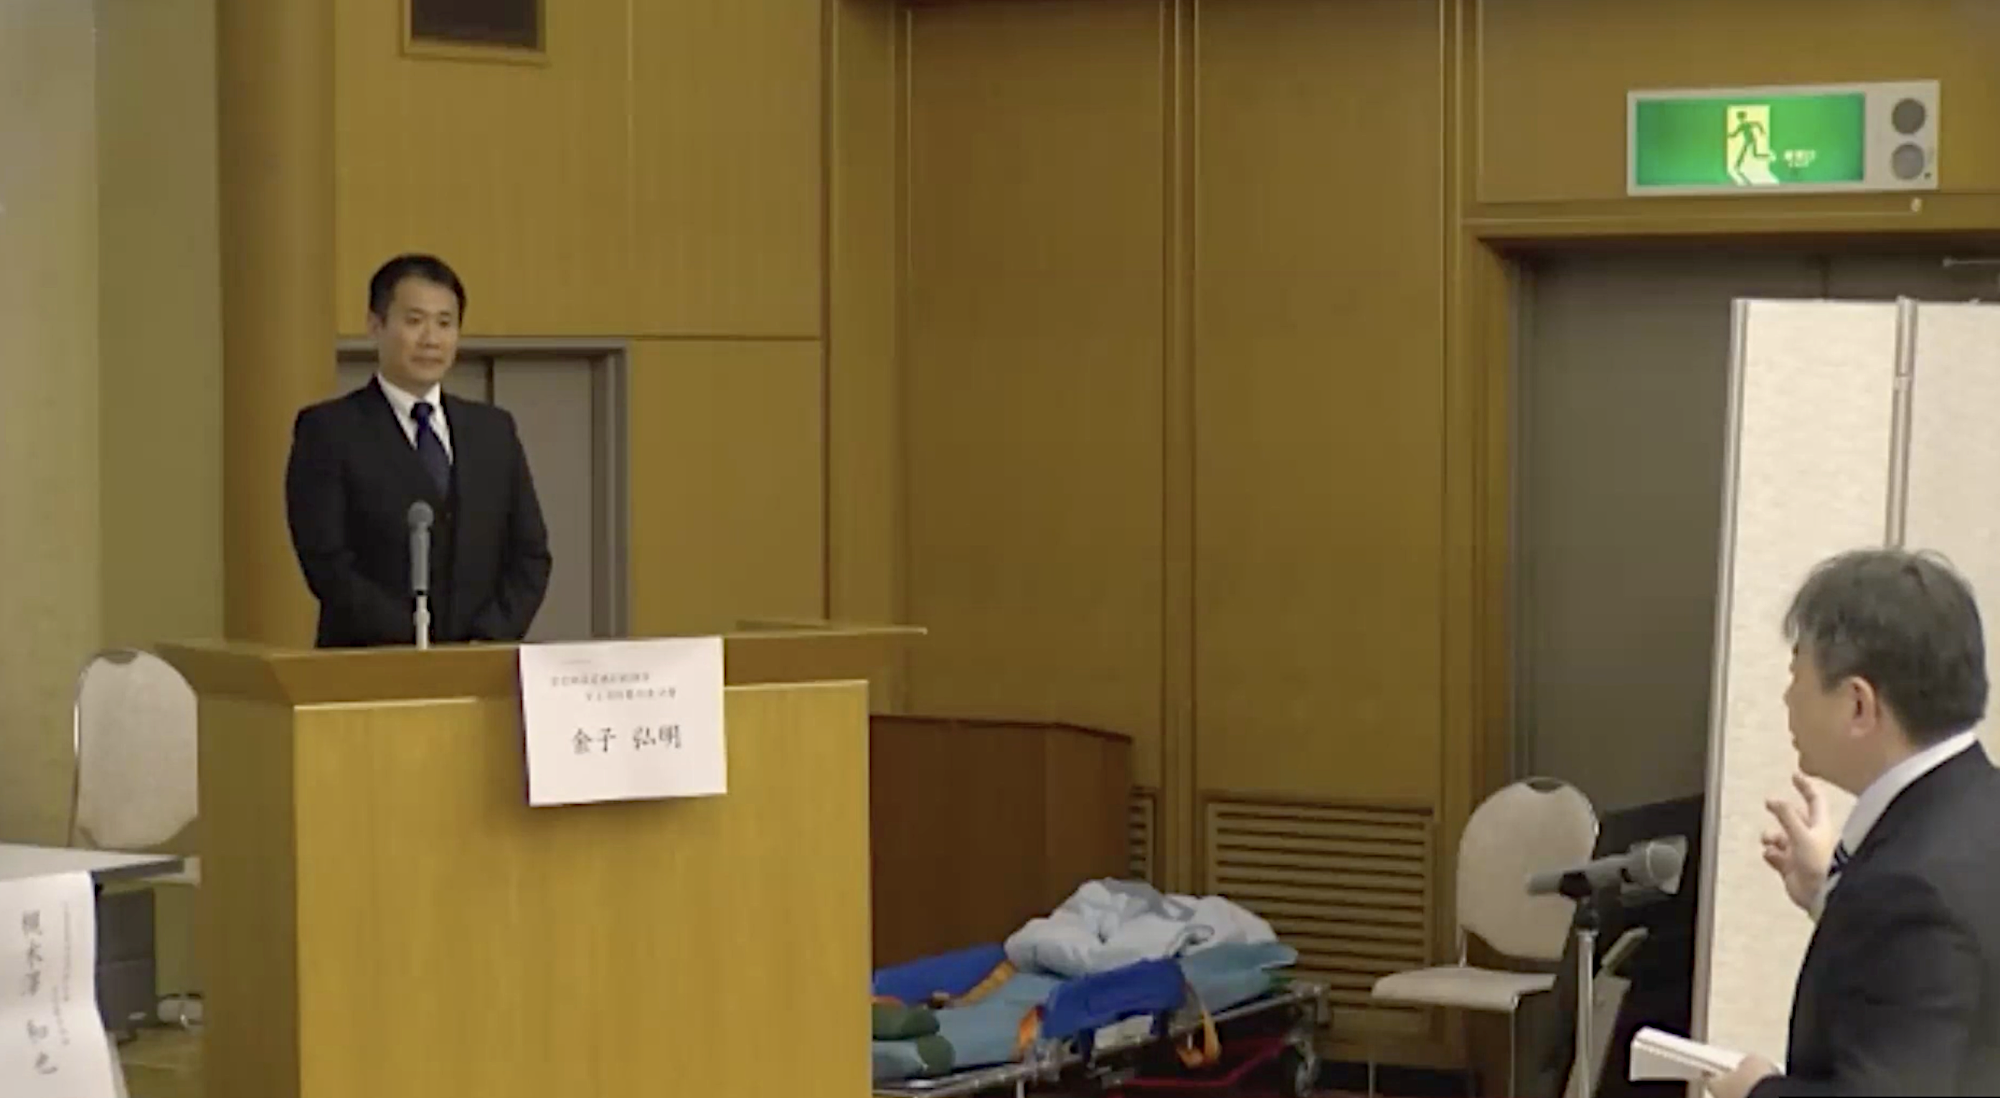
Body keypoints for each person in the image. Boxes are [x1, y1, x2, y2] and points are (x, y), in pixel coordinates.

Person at [1710, 548, 2000, 1098]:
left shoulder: (1909, 887)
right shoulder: (1975, 813)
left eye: (1796, 675)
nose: (1786, 697)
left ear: (1858, 706)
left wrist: (1757, 1091)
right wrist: (1832, 896)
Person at [284, 254, 551, 648]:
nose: (431, 339)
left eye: (445, 323)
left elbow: (530, 555)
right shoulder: (329, 430)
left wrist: (487, 637)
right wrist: (416, 642)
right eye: (414, 321)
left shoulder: (493, 431)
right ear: (375, 325)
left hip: (480, 661)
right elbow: (327, 562)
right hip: (370, 660)